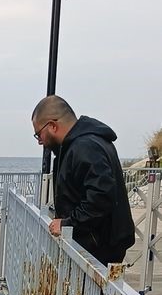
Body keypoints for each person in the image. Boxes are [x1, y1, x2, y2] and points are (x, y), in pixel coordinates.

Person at [32, 95, 134, 266]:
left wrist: (68, 224)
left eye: (38, 134)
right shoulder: (85, 144)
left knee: (91, 293)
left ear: (52, 126)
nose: (39, 141)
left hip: (98, 250)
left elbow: (101, 197)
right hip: (99, 245)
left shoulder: (85, 147)